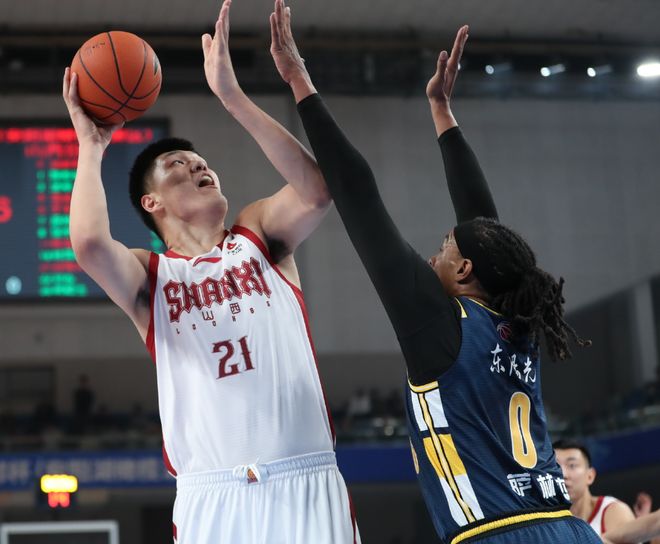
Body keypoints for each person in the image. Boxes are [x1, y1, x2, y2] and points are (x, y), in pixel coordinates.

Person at [269, 2, 596, 542]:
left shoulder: (441, 328)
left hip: (497, 533)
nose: (430, 258)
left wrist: (299, 81)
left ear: (465, 270)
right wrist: (442, 112)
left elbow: (359, 197)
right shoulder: (518, 324)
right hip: (569, 529)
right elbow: (484, 224)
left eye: (443, 249)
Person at [62, 1, 359, 542]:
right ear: (152, 203)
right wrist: (90, 145)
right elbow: (88, 244)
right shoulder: (152, 276)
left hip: (306, 479)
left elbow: (317, 191)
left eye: (200, 162)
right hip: (212, 496)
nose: (197, 165)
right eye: (176, 166)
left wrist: (232, 96)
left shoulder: (256, 235)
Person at [553, 440, 635, 537]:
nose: (563, 474)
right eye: (555, 466)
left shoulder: (614, 511)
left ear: (590, 476)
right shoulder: (543, 522)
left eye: (572, 465)